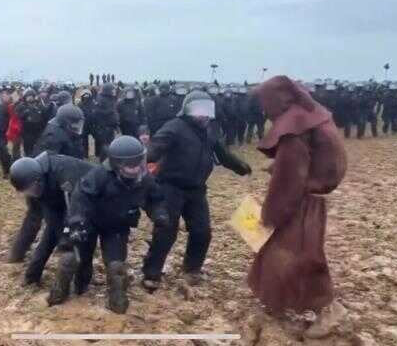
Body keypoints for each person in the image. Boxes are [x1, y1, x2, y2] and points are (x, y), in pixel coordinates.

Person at [249, 76, 347, 337]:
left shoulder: (294, 131)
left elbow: (288, 181)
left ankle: (326, 309)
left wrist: (270, 215)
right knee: (292, 252)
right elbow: (316, 158)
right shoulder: (310, 115)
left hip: (302, 202)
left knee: (298, 255)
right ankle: (278, 303)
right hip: (312, 197)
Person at [141, 90, 252, 290]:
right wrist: (138, 163)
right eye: (198, 111)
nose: (203, 115)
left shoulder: (210, 131)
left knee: (202, 231)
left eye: (207, 111)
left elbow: (223, 154)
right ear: (187, 110)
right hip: (170, 187)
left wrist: (241, 167)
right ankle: (152, 273)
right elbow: (155, 148)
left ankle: (192, 269)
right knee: (166, 231)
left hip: (196, 190)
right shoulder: (174, 128)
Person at [49, 136, 168, 314]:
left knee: (116, 266)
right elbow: (81, 199)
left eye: (138, 163)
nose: (135, 169)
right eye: (130, 166)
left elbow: (155, 199)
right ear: (117, 164)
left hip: (117, 226)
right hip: (90, 222)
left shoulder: (145, 179)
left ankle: (117, 302)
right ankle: (65, 293)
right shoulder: (99, 175)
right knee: (76, 259)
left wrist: (159, 214)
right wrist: (77, 222)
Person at [8, 153, 95, 284]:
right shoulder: (32, 182)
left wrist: (66, 238)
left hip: (88, 199)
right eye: (27, 192)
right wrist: (17, 252)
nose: (31, 194)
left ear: (38, 180)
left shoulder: (64, 171)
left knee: (80, 242)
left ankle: (81, 284)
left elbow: (75, 209)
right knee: (50, 234)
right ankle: (31, 277)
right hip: (58, 200)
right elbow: (32, 218)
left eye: (31, 190)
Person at [16, 88, 49, 156]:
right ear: (25, 97)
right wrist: (28, 111)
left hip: (38, 131)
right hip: (27, 132)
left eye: (32, 96)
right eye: (28, 96)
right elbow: (20, 116)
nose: (30, 98)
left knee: (39, 149)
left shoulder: (39, 105)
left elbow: (45, 117)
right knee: (28, 150)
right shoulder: (21, 106)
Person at [91, 83, 119, 162]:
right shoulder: (101, 99)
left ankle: (106, 158)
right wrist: (109, 112)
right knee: (104, 145)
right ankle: (103, 160)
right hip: (104, 127)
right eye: (112, 90)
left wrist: (116, 124)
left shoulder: (111, 98)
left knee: (109, 144)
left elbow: (114, 111)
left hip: (110, 126)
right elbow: (97, 113)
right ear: (108, 90)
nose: (114, 91)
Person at [3, 91, 22, 162]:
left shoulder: (18, 105)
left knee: (17, 145)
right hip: (14, 127)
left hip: (17, 127)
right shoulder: (10, 106)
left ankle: (16, 158)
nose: (15, 98)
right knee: (15, 145)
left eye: (16, 96)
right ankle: (15, 159)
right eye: (14, 97)